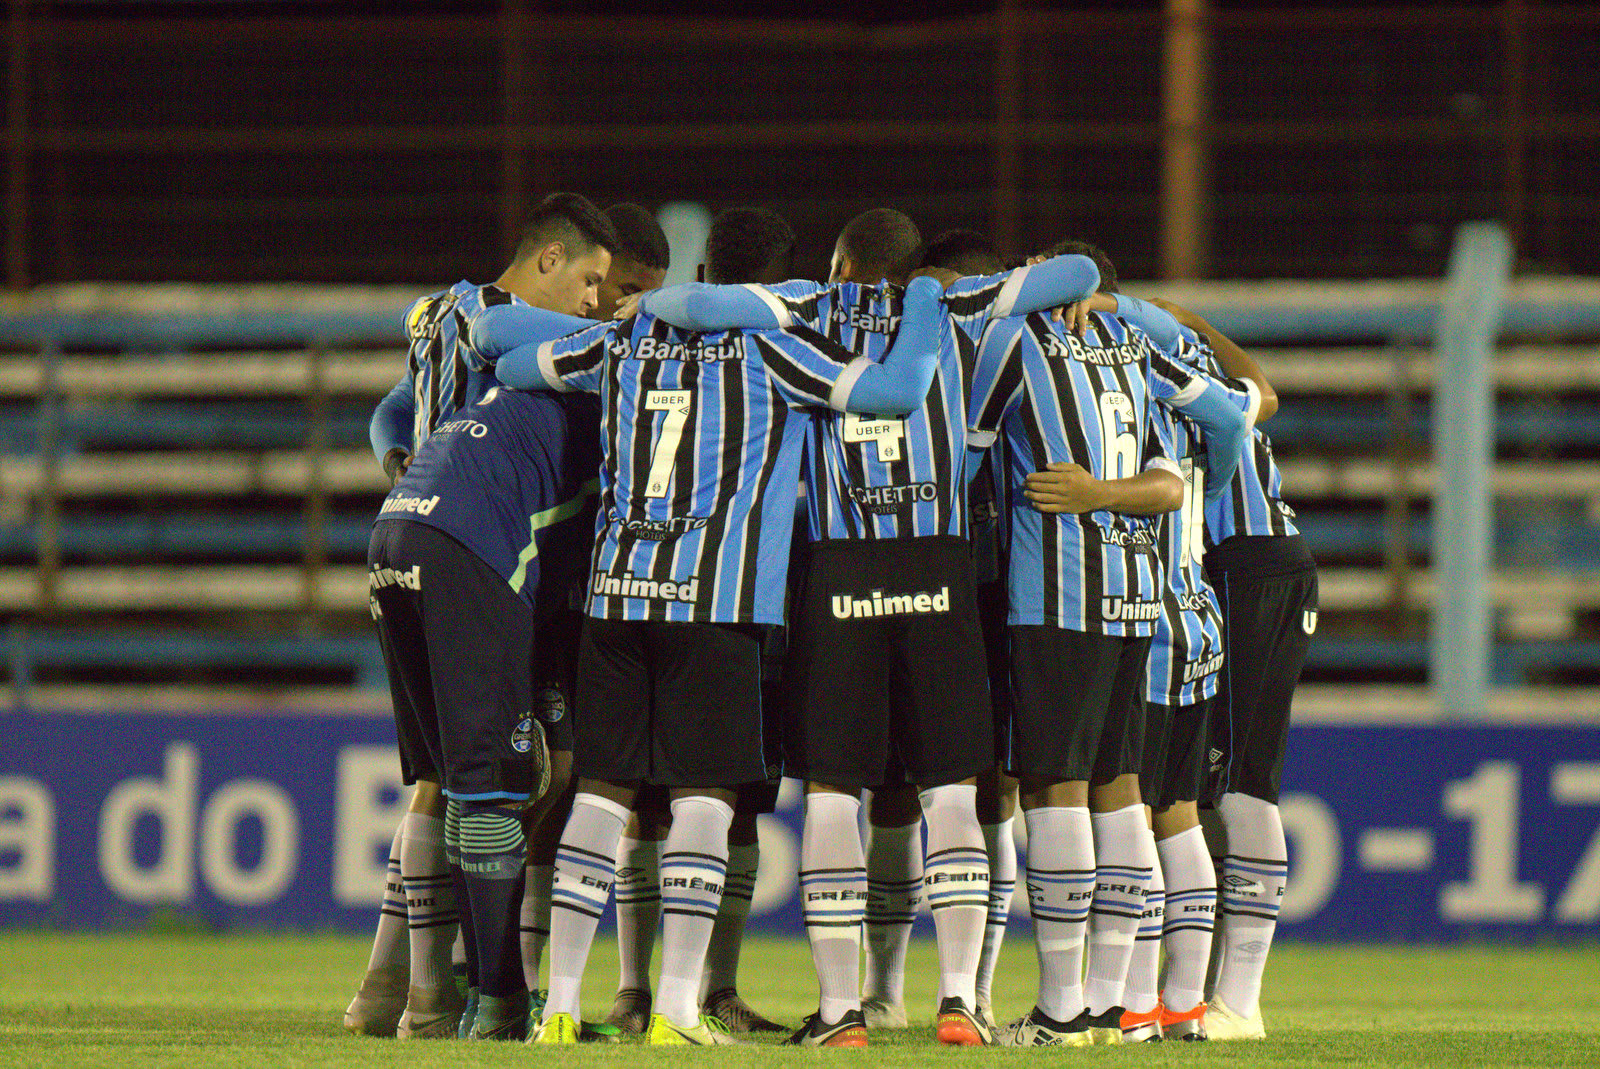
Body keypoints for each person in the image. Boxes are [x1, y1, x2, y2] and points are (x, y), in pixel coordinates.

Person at [636, 207, 1104, 1047]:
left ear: (845, 262)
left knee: (832, 793)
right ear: (913, 265)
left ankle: (841, 1011)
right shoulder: (960, 308)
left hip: (841, 568)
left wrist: (770, 301)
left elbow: (686, 307)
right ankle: (959, 998)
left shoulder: (806, 307)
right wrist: (958, 290)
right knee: (954, 788)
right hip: (939, 567)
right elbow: (1080, 277)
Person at [491, 207, 945, 1046]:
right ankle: (674, 1008)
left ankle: (557, 1006)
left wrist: (635, 317)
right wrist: (922, 304)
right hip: (717, 600)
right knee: (705, 797)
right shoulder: (776, 344)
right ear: (776, 277)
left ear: (700, 269)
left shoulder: (621, 341)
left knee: (602, 792)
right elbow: (897, 392)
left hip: (617, 595)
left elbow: (510, 351)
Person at [967, 248, 1259, 1048]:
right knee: (1123, 787)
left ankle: (1063, 1008)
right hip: (1140, 596)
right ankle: (1108, 1001)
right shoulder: (1136, 346)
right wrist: (1197, 504)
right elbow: (1236, 415)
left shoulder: (1018, 337)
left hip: (1056, 592)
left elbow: (969, 446)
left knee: (1054, 788)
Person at [345, 192, 616, 1039]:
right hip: (484, 545)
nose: (592, 304)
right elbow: (555, 358)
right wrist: (643, 331)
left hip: (438, 520)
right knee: (471, 781)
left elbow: (388, 410)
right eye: (591, 282)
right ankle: (443, 989)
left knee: (476, 779)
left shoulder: (434, 314)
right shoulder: (489, 316)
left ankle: (397, 984)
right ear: (547, 258)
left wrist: (398, 460)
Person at [367, 380, 601, 1040]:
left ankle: (458, 997)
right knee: (496, 787)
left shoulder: (515, 381)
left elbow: (392, 411)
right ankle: (497, 1001)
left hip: (394, 534)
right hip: (468, 553)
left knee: (469, 789)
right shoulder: (603, 405)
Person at [516, 200, 671, 1022]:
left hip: (622, 595)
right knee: (552, 780)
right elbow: (395, 404)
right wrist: (396, 451)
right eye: (623, 291)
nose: (630, 308)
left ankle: (634, 989)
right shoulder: (559, 347)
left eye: (649, 293)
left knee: (639, 793)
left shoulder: (650, 358)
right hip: (550, 597)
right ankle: (515, 978)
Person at [1150, 298, 1308, 1043]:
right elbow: (1265, 392)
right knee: (1219, 784)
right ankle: (1209, 989)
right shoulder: (1221, 386)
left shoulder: (1169, 381)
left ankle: (1238, 999)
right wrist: (1203, 326)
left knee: (1240, 782)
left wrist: (1185, 327)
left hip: (1246, 567)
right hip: (1259, 566)